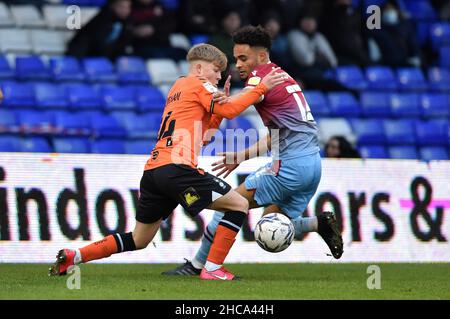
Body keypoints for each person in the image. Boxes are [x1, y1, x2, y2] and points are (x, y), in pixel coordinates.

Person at [48, 43, 285, 281]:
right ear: (200, 68)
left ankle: (75, 255)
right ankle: (212, 269)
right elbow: (233, 109)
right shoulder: (198, 83)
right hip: (177, 169)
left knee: (139, 239)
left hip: (154, 172)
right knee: (238, 205)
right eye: (217, 70)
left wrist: (216, 112)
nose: (219, 76)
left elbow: (206, 135)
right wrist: (261, 88)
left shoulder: (178, 87)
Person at [162, 26, 344, 277]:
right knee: (269, 226)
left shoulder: (260, 78)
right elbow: (277, 134)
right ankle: (317, 223)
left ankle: (197, 266)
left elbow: (234, 106)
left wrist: (220, 98)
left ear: (261, 56)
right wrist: (241, 156)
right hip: (312, 166)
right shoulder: (283, 76)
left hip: (288, 168)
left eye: (243, 58)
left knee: (229, 204)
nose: (238, 65)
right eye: (236, 58)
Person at [66, 0, 133, 60]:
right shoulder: (101, 20)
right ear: (112, 6)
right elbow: (95, 44)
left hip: (103, 58)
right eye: (121, 7)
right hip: (85, 55)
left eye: (128, 7)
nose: (125, 10)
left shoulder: (126, 23)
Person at [369, 1, 421, 67]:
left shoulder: (406, 28)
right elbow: (375, 56)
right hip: (385, 66)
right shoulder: (377, 31)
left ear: (397, 11)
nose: (389, 12)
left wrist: (415, 59)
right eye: (386, 9)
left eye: (392, 9)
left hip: (405, 65)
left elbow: (414, 47)